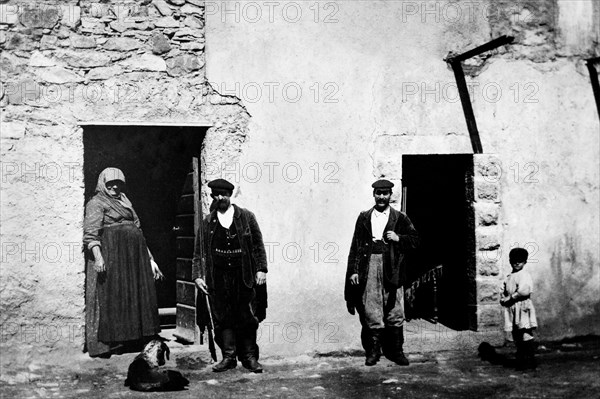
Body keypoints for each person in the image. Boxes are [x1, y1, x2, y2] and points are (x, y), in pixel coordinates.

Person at [83, 167, 164, 358]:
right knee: (114, 295)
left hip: (134, 256)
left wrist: (151, 259)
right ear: (102, 183)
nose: (114, 187)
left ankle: (135, 337)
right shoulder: (96, 203)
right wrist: (99, 257)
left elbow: (137, 229)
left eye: (118, 183)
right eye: (110, 183)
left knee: (135, 294)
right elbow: (91, 234)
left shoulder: (125, 201)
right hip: (113, 255)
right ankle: (116, 339)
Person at [193, 178, 268, 373]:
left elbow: (258, 245)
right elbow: (199, 251)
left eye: (224, 194)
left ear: (230, 195)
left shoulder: (246, 217)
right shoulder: (208, 222)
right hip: (217, 276)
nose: (221, 198)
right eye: (217, 195)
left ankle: (250, 357)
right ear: (213, 197)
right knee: (223, 317)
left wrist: (261, 269)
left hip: (243, 275)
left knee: (247, 317)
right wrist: (198, 276)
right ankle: (228, 357)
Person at [345, 179, 419, 366]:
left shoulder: (400, 217)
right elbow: (356, 245)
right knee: (372, 308)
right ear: (374, 194)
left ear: (390, 196)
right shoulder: (364, 217)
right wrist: (354, 271)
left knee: (394, 308)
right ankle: (373, 351)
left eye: (385, 193)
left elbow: (415, 241)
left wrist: (398, 238)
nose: (381, 197)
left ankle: (396, 351)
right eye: (378, 193)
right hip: (369, 264)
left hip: (392, 267)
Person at [501, 247, 538, 370]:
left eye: (520, 261)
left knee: (525, 333)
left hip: (522, 307)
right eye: (514, 260)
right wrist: (503, 297)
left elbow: (524, 290)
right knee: (516, 334)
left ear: (525, 262)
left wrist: (512, 296)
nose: (517, 263)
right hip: (513, 307)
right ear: (510, 261)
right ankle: (521, 359)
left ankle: (531, 360)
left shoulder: (524, 275)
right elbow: (504, 289)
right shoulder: (509, 276)